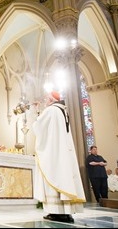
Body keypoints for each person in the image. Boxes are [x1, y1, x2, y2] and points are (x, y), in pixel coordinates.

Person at [32, 91, 85, 223]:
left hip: (54, 152)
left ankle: (57, 213)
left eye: (46, 99)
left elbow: (38, 127)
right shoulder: (63, 111)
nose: (45, 102)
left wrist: (36, 112)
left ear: (51, 99)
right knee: (64, 177)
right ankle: (66, 212)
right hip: (63, 151)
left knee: (54, 175)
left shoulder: (51, 110)